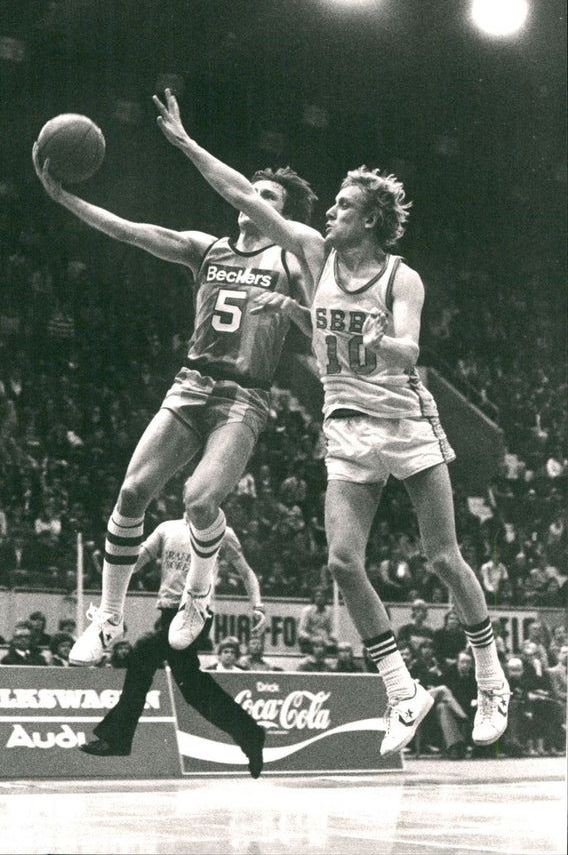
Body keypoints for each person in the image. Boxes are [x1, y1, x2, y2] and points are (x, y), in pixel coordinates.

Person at [155, 88, 510, 755]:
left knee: (444, 558)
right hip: (345, 426)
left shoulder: (402, 277)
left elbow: (410, 343)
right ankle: (402, 690)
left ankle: (493, 679)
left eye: (345, 204)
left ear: (371, 219)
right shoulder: (315, 254)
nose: (332, 211)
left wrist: (389, 345)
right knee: (343, 563)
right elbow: (244, 195)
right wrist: (183, 142)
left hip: (405, 419)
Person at [34, 130, 316, 666]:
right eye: (250, 191)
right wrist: (65, 198)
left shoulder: (293, 260)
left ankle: (199, 595)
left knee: (199, 502)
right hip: (192, 383)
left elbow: (320, 316)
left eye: (268, 197)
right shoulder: (204, 249)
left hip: (245, 395)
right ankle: (109, 617)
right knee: (133, 490)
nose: (251, 200)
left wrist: (294, 307)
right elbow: (129, 231)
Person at [79, 515, 267, 778]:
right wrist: (109, 568)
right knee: (192, 688)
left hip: (196, 615)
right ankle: (250, 734)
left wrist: (257, 606)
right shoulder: (166, 529)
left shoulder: (222, 533)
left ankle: (116, 738)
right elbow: (136, 561)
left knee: (143, 653)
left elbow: (246, 573)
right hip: (168, 615)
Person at [297, 586, 337, 655]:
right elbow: (301, 631)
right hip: (311, 640)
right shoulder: (307, 611)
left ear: (325, 598)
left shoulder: (329, 611)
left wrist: (332, 638)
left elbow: (331, 629)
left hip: (324, 641)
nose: (319, 598)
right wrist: (312, 638)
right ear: (314, 598)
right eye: (317, 596)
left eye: (322, 596)